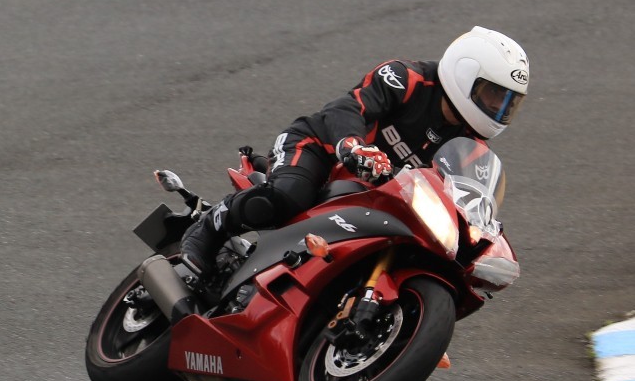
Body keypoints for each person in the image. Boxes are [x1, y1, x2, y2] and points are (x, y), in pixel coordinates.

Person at [180, 26, 530, 275]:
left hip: (374, 198)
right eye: (493, 95)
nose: (498, 109)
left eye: (507, 103)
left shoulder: (470, 147)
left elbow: (465, 196)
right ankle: (209, 228)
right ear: (465, 73)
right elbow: (346, 109)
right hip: (318, 148)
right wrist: (352, 145)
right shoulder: (406, 78)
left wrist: (481, 229)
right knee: (289, 195)